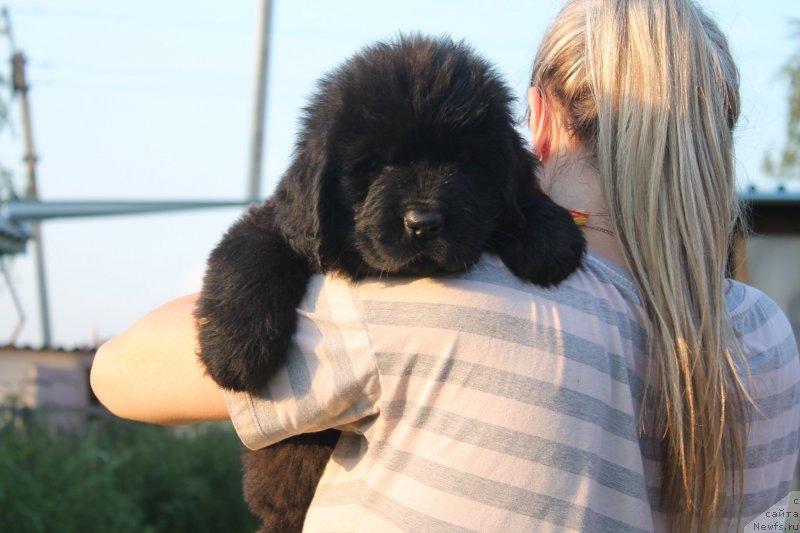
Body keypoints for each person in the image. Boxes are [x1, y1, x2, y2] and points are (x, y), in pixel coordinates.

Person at [90, 0, 800, 531]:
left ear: (541, 121)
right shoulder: (763, 337)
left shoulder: (442, 298)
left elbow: (118, 374)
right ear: (717, 137)